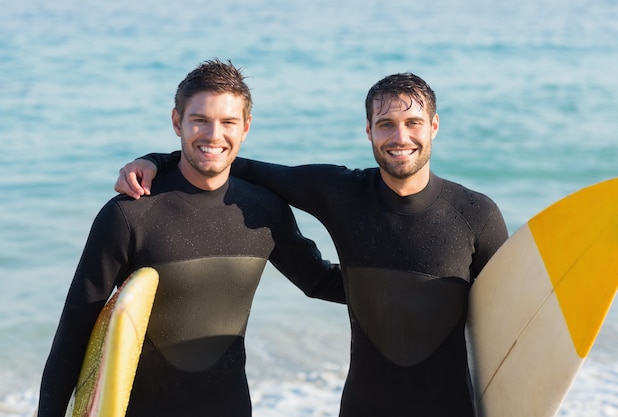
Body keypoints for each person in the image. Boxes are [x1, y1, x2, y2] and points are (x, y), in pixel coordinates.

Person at [115, 72, 510, 416]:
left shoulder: (476, 214)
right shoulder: (341, 193)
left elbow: (510, 325)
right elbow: (228, 160)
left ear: (434, 126)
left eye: (413, 122)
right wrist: (156, 161)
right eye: (386, 124)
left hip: (451, 409)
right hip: (363, 408)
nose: (400, 137)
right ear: (368, 130)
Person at [37, 59, 345, 417]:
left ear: (245, 127)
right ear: (176, 122)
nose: (214, 135)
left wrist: (413, 286)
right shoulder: (130, 214)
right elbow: (73, 332)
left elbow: (318, 280)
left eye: (228, 122)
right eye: (200, 120)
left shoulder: (264, 210)